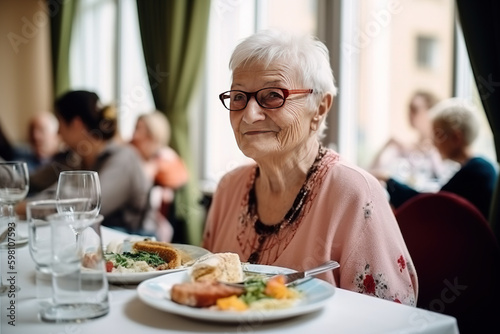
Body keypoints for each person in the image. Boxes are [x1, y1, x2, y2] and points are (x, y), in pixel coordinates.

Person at [202, 29, 418, 306]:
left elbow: (389, 320)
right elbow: (203, 288)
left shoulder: (354, 193)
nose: (249, 114)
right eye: (239, 97)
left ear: (320, 107)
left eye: (272, 95)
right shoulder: (229, 187)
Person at [16, 90, 152, 234]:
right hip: (92, 240)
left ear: (76, 124)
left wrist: (20, 208)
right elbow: (38, 185)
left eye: (60, 123)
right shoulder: (77, 157)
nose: (58, 133)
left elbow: (84, 206)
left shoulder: (123, 159)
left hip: (129, 244)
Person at [382, 98, 498, 220]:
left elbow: (428, 205)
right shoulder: (480, 168)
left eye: (438, 135)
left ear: (456, 138)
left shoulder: (476, 171)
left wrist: (388, 180)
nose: (433, 142)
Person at [370, 91, 457, 192]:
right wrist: (387, 145)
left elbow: (444, 180)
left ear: (430, 112)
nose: (409, 114)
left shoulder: (442, 150)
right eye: (409, 109)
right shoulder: (401, 146)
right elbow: (372, 173)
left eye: (414, 109)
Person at [130, 111, 189, 241]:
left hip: (153, 228)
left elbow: (179, 177)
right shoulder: (139, 155)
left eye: (139, 129)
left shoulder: (164, 157)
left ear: (153, 135)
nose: (133, 135)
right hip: (139, 223)